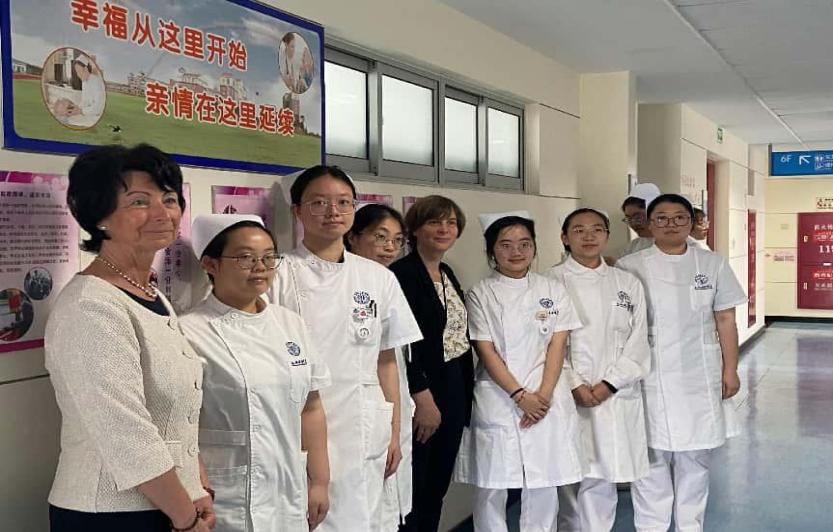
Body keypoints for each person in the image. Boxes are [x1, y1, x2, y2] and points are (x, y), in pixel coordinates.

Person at [44, 144, 212, 532]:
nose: (162, 213)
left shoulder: (149, 293)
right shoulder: (90, 305)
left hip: (169, 503)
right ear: (100, 216)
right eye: (139, 201)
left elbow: (174, 415)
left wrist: (196, 485)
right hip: (111, 514)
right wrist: (186, 518)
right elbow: (126, 434)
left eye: (169, 199)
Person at [272, 166, 422, 532]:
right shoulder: (277, 274)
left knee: (363, 516)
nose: (332, 212)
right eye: (319, 203)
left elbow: (386, 361)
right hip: (301, 420)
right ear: (297, 210)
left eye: (343, 203)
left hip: (363, 423)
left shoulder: (378, 278)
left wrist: (394, 432)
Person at [181, 214, 331, 531]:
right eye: (246, 258)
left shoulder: (290, 324)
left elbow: (311, 406)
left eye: (268, 257)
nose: (260, 267)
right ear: (210, 264)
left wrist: (319, 481)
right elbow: (178, 427)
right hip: (224, 494)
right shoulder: (188, 331)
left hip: (287, 486)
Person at [617, 194, 746, 532]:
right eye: (661, 218)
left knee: (696, 459)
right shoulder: (631, 266)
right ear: (650, 223)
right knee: (651, 459)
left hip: (698, 370)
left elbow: (726, 319)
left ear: (691, 222)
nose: (670, 224)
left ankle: (691, 526)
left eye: (679, 217)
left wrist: (730, 369)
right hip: (649, 370)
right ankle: (652, 527)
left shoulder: (712, 263)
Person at [454, 211, 583, 532]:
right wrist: (519, 395)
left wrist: (542, 396)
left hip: (546, 396)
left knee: (543, 481)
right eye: (506, 244)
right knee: (492, 485)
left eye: (525, 244)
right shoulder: (481, 293)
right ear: (491, 250)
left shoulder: (552, 289)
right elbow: (485, 348)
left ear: (535, 247)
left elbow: (558, 345)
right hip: (500, 396)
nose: (516, 252)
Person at [548, 208, 650, 532]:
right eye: (579, 230)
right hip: (566, 392)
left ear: (607, 235)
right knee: (566, 476)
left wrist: (609, 384)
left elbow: (639, 340)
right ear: (565, 238)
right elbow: (545, 344)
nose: (589, 236)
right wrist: (574, 384)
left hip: (613, 395)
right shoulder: (549, 282)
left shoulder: (627, 282)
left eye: (596, 229)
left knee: (603, 476)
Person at [389, 196, 474, 532]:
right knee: (415, 488)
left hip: (453, 388)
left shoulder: (446, 273)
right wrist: (421, 397)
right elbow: (402, 344)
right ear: (415, 229)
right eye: (434, 222)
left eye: (451, 223)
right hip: (422, 393)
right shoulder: (402, 274)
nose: (444, 229)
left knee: (436, 487)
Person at [346, 204, 413, 529]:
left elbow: (390, 359)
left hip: (384, 404)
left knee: (383, 506)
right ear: (353, 237)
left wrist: (394, 429)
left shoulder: (386, 280)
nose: (390, 247)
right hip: (347, 411)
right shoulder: (342, 280)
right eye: (381, 237)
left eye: (397, 240)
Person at [53, 56, 105, 120]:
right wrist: (78, 108)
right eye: (77, 72)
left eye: (79, 71)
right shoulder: (85, 82)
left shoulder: (96, 81)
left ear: (86, 69)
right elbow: (85, 100)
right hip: (88, 112)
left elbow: (99, 106)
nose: (78, 75)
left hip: (97, 114)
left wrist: (81, 111)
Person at [618, 183, 661, 259]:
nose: (633, 223)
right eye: (629, 218)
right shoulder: (632, 247)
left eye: (638, 217)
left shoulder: (678, 243)